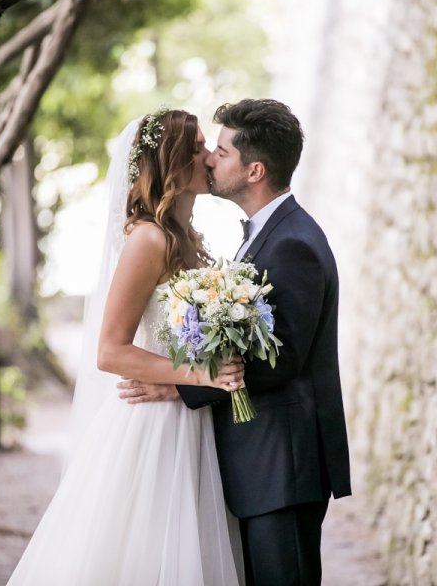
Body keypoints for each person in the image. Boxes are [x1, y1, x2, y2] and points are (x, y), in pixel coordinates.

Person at [7, 109, 246, 586]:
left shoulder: (189, 241)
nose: (208, 156)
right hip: (155, 429)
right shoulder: (149, 240)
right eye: (197, 147)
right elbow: (110, 352)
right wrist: (202, 376)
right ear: (172, 162)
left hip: (196, 423)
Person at [120, 99, 351, 585]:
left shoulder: (292, 243)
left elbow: (281, 361)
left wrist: (179, 386)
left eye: (220, 151)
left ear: (255, 170)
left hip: (281, 468)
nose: (209, 159)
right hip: (262, 465)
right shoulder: (262, 236)